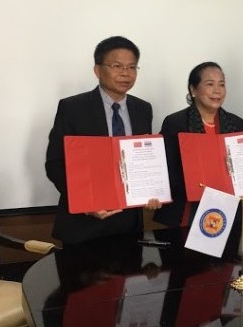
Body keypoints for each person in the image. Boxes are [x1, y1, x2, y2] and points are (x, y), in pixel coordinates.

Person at [45, 35, 161, 244]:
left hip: (128, 225)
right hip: (83, 225)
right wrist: (84, 202)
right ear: (98, 70)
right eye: (117, 66)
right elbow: (54, 164)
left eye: (132, 67)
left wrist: (151, 192)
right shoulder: (73, 108)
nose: (125, 73)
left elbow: (142, 161)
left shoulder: (143, 109)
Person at [154, 62, 243, 227]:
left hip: (228, 213)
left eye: (222, 84)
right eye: (210, 84)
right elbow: (166, 170)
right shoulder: (175, 123)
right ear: (193, 90)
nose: (217, 90)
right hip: (185, 213)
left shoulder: (237, 124)